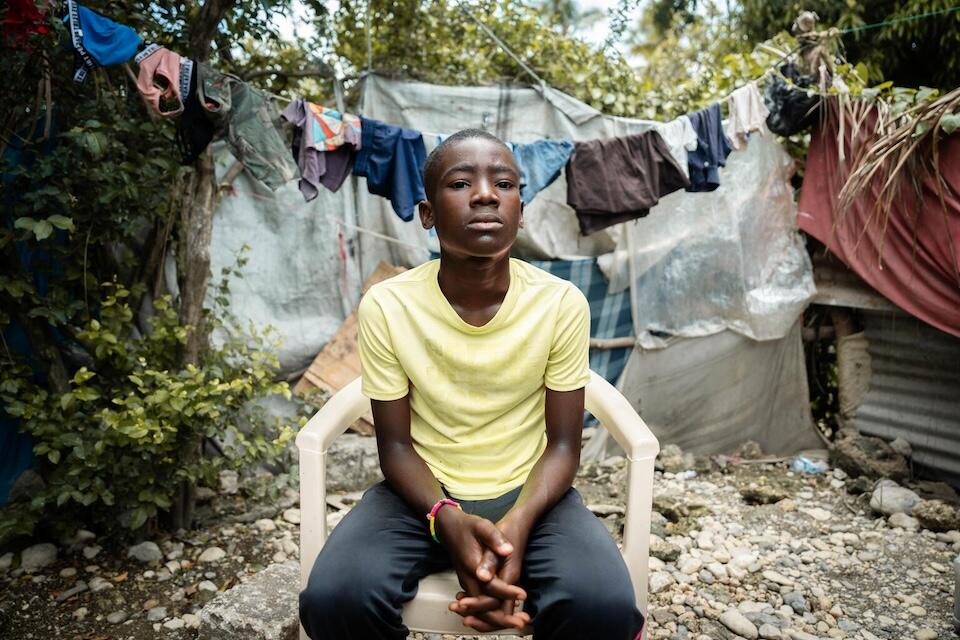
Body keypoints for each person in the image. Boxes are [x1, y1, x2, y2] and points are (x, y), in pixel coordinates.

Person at [299, 129, 645, 640]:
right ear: (428, 214)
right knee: (334, 600)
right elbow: (394, 445)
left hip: (532, 494)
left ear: (520, 210)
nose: (485, 194)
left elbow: (565, 444)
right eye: (461, 183)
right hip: (419, 497)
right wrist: (447, 518)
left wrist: (519, 526)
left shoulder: (560, 303)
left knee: (604, 607)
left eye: (503, 183)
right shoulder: (389, 306)